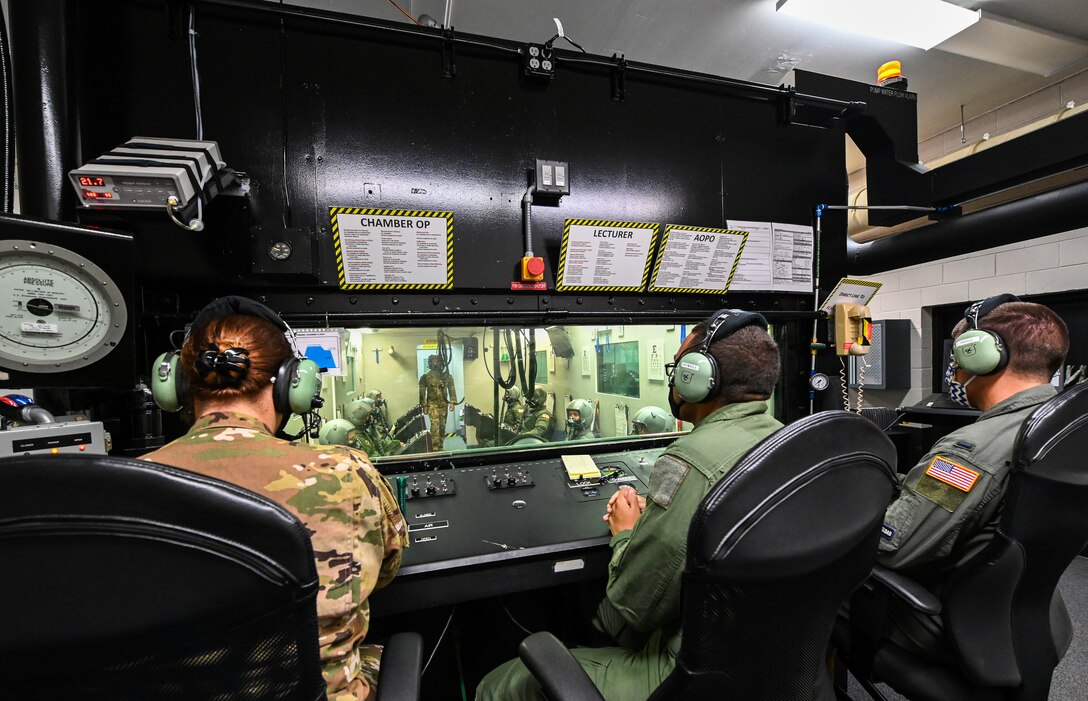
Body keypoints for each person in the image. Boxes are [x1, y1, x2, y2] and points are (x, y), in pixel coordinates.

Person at [477, 310, 782, 700]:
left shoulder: (693, 459)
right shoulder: (790, 442)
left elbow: (634, 606)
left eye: (678, 368)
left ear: (699, 377)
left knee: (500, 684)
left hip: (688, 676)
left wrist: (625, 533)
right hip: (777, 659)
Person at [142, 298, 409, 701]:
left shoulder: (129, 483)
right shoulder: (344, 471)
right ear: (292, 386)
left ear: (176, 387)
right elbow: (387, 568)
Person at [872, 295, 1069, 656]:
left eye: (958, 357)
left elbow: (894, 546)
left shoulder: (970, 450)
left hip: (955, 621)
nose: (955, 369)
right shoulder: (1062, 424)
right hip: (1027, 615)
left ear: (983, 357)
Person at [419, 354, 457, 450]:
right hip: (432, 404)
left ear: (441, 363)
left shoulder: (447, 376)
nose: (435, 363)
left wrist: (452, 402)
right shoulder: (426, 377)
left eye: (437, 361)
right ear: (430, 363)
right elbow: (422, 392)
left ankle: (440, 446)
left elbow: (452, 389)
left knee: (442, 426)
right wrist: (424, 405)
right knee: (435, 425)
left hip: (443, 404)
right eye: (433, 361)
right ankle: (435, 448)